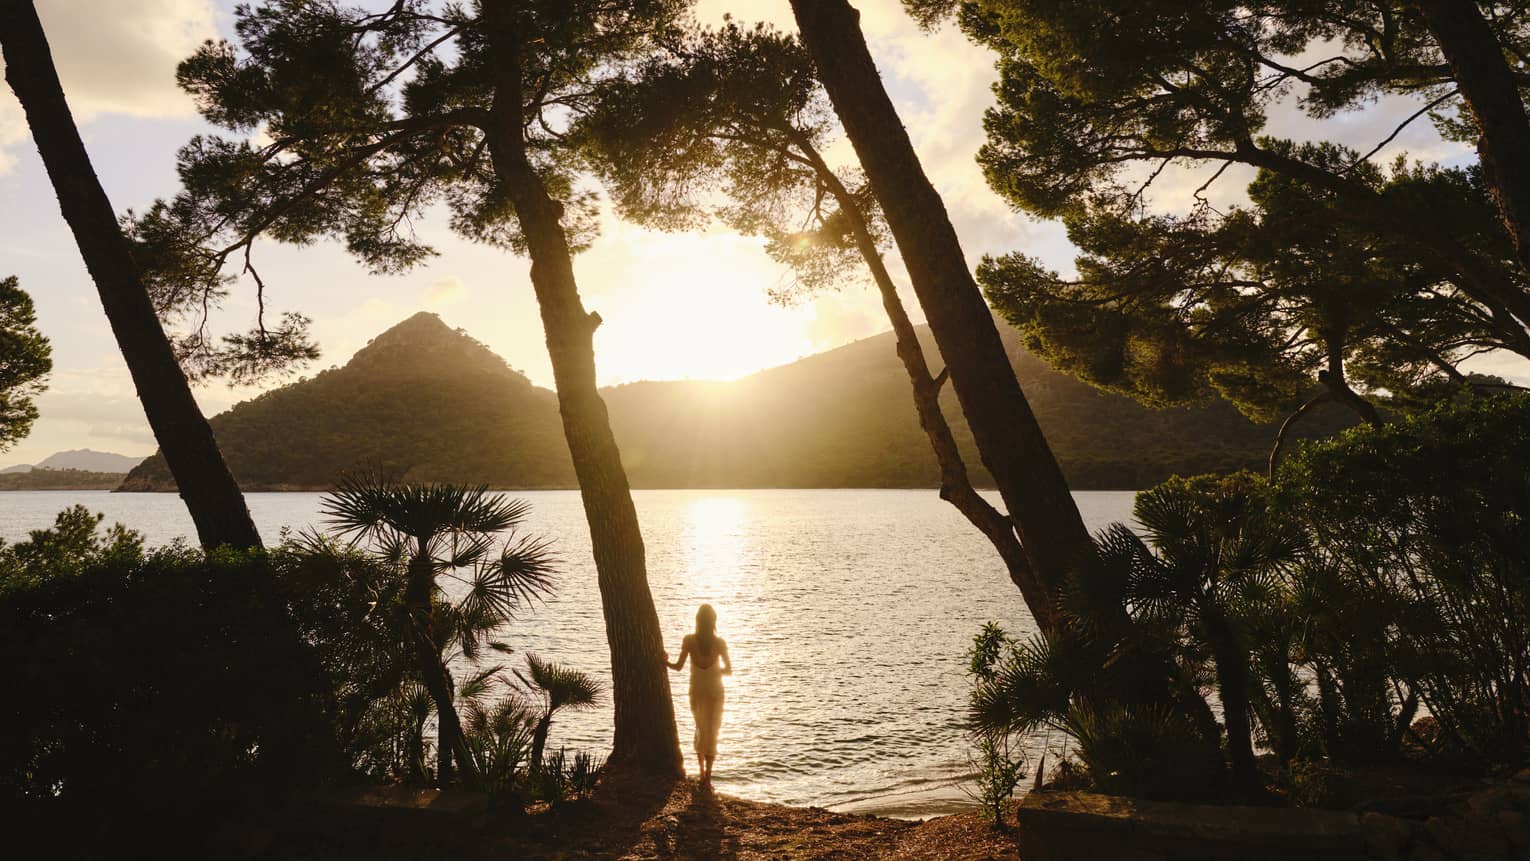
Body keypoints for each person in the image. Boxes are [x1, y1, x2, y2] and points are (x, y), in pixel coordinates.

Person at [665, 603, 732, 785]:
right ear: (713, 622)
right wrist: (715, 670)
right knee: (713, 730)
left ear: (697, 621)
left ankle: (701, 771)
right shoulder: (719, 643)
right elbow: (729, 670)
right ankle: (707, 776)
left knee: (700, 728)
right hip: (715, 690)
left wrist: (664, 661)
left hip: (697, 689)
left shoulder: (689, 640)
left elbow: (678, 667)